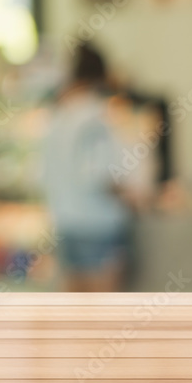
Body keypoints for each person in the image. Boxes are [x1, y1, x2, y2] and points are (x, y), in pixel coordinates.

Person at [42, 44, 132, 291]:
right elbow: (99, 175)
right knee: (104, 319)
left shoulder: (58, 116)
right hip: (96, 226)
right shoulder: (95, 117)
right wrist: (131, 195)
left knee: (76, 317)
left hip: (65, 222)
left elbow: (41, 172)